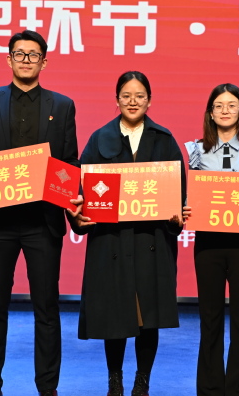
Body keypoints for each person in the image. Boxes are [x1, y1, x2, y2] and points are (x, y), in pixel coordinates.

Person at [0, 30, 78, 396]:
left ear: (44, 61)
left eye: (33, 55)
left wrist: (70, 198)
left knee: (47, 308)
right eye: (20, 54)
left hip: (43, 223)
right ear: (8, 59)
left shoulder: (62, 105)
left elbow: (69, 164)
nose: (26, 60)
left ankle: (48, 387)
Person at [70, 71, 186, 396]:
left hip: (152, 241)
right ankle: (115, 379)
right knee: (115, 314)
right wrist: (78, 217)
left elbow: (179, 194)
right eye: (126, 96)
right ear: (117, 99)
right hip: (111, 242)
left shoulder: (164, 140)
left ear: (149, 100)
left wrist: (177, 217)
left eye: (139, 96)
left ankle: (142, 381)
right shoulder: (99, 138)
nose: (133, 102)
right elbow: (81, 189)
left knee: (148, 315)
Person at [183, 83, 239, 396]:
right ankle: (210, 389)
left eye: (232, 105)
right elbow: (189, 196)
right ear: (210, 112)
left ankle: (237, 390)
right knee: (209, 319)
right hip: (208, 245)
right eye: (219, 105)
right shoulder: (196, 150)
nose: (225, 111)